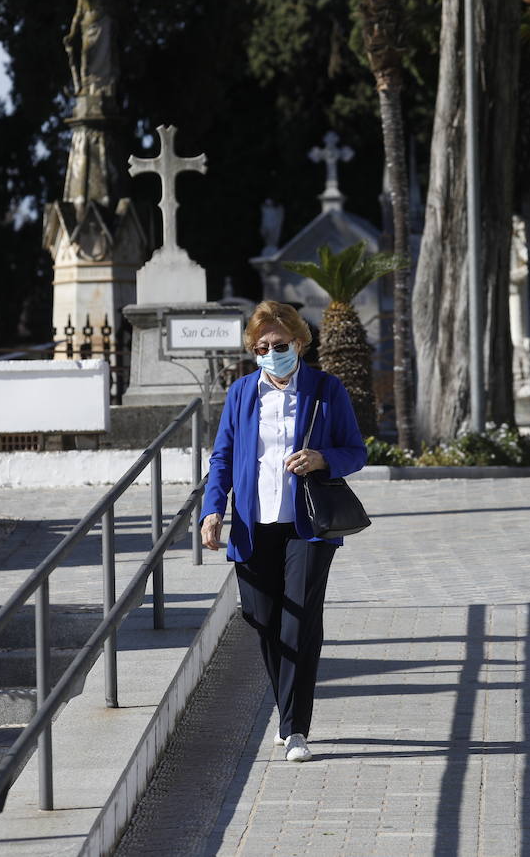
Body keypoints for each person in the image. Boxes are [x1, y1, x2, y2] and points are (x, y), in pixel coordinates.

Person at [200, 300, 367, 762]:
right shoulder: (241, 394)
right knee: (263, 620)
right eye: (262, 346)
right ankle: (286, 706)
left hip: (308, 526)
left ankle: (295, 728)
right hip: (254, 527)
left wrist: (322, 458)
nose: (271, 352)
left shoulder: (326, 390)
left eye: (280, 344)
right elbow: (222, 459)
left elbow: (356, 450)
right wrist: (212, 511)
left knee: (299, 622)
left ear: (299, 343)